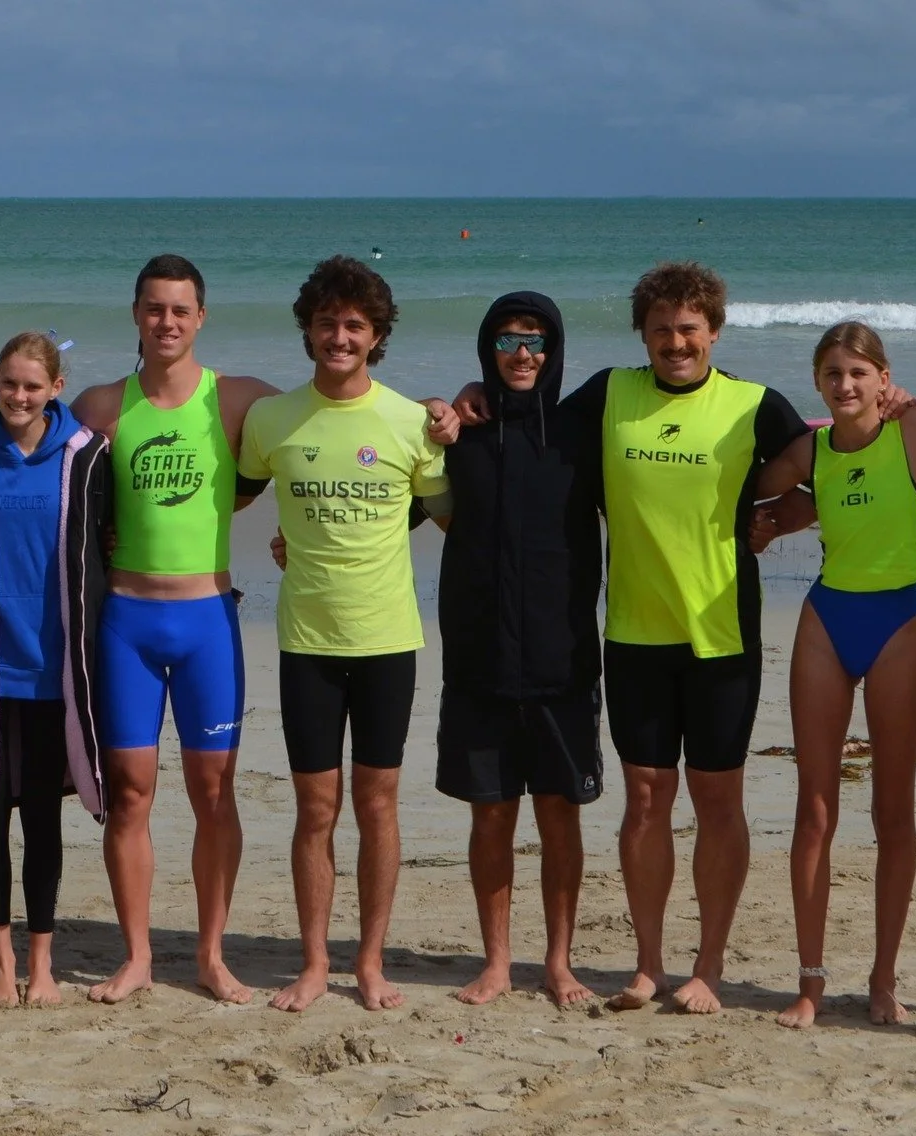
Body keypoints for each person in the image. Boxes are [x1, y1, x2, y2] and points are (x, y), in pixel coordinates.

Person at [451, 261, 811, 1014]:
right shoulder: (610, 394)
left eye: (689, 329)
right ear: (642, 336)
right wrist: (465, 395)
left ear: (714, 331)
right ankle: (648, 964)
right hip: (634, 636)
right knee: (645, 800)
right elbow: (529, 414)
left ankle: (708, 966)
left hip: (720, 636)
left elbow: (834, 464)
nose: (676, 343)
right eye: (661, 330)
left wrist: (780, 519)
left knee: (718, 800)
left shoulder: (752, 404)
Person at [750, 322, 916, 1030]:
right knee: (814, 810)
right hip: (826, 621)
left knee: (893, 811)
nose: (845, 385)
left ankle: (883, 979)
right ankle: (810, 983)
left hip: (897, 624)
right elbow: (733, 488)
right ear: (818, 384)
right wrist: (767, 522)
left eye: (858, 372)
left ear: (883, 377)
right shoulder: (809, 451)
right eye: (832, 374)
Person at [239, 255, 448, 1013]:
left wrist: (466, 420)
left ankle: (369, 963)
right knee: (316, 809)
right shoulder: (272, 420)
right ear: (308, 330)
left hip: (388, 638)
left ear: (377, 335)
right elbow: (221, 497)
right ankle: (313, 963)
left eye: (355, 325)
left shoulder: (410, 421)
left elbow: (452, 515)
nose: (340, 336)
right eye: (327, 322)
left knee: (378, 804)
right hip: (307, 641)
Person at [68, 254, 278, 1005]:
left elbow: (327, 419)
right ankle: (136, 957)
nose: (167, 321)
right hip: (126, 622)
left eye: (180, 309)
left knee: (213, 791)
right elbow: (25, 448)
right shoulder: (100, 406)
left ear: (201, 317)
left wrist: (444, 409)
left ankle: (212, 955)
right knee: (130, 793)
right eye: (154, 308)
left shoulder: (238, 399)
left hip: (207, 622)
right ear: (135, 314)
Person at [431, 293, 604, 1009]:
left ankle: (559, 962)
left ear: (554, 350)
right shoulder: (460, 434)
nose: (522, 354)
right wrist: (439, 405)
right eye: (506, 341)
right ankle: (497, 961)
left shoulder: (582, 432)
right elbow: (385, 499)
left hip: (564, 661)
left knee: (560, 815)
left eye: (535, 341)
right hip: (479, 660)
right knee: (492, 815)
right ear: (488, 350)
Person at [0, 333, 111, 1007]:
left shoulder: (86, 455)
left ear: (57, 387)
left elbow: (113, 541)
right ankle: (1, 962)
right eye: (9, 383)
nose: (19, 396)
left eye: (33, 386)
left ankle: (41, 963)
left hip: (52, 668)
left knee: (42, 817)